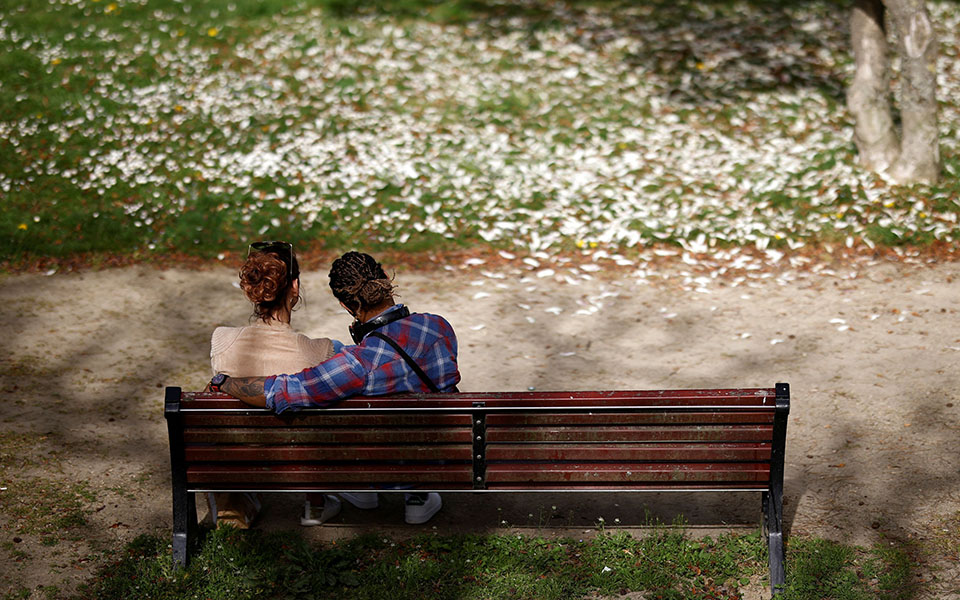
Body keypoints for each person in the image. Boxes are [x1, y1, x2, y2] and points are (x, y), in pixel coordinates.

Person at [209, 251, 461, 524]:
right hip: (439, 459)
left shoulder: (355, 364)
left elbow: (283, 391)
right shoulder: (438, 327)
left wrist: (225, 381)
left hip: (378, 472)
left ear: (344, 304)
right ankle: (418, 497)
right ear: (386, 278)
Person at [207, 241, 342, 528]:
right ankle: (315, 503)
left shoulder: (222, 340)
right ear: (294, 286)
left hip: (241, 458)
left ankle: (239, 500)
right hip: (299, 461)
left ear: (252, 289)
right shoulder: (320, 351)